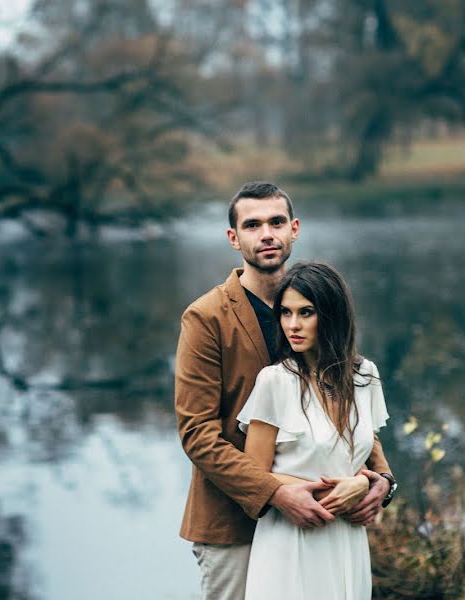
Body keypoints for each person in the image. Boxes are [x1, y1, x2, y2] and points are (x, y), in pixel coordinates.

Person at [175, 182, 396, 600]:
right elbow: (197, 434)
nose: (267, 234)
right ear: (233, 237)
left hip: (322, 522)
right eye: (252, 225)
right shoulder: (205, 318)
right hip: (232, 526)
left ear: (294, 229)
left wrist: (381, 479)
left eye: (276, 222)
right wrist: (274, 492)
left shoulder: (316, 306)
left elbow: (346, 405)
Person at [237, 261, 390, 599]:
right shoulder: (274, 382)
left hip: (347, 539)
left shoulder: (365, 377)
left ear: (332, 315)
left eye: (306, 313)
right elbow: (254, 473)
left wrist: (366, 481)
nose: (293, 325)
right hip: (290, 538)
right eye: (286, 313)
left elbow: (366, 450)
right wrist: (348, 486)